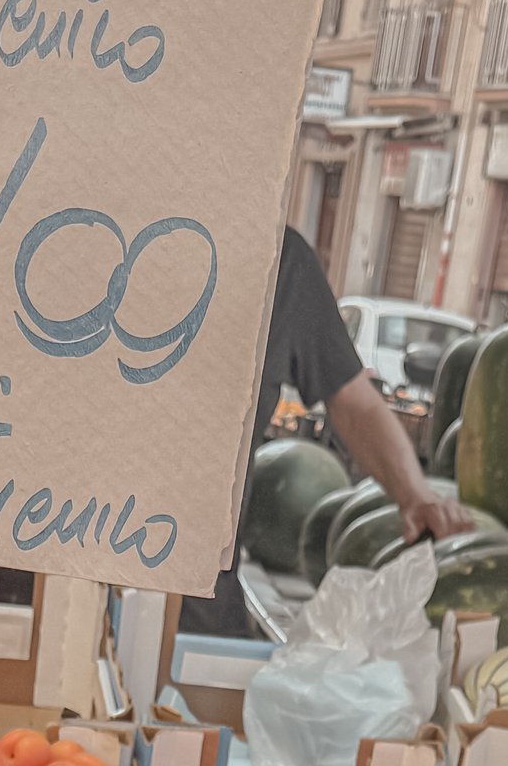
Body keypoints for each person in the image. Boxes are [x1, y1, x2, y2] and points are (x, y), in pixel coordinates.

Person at [187, 227, 477, 631]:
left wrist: (415, 497)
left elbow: (354, 402)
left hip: (198, 593)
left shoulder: (280, 258)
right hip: (79, 557)